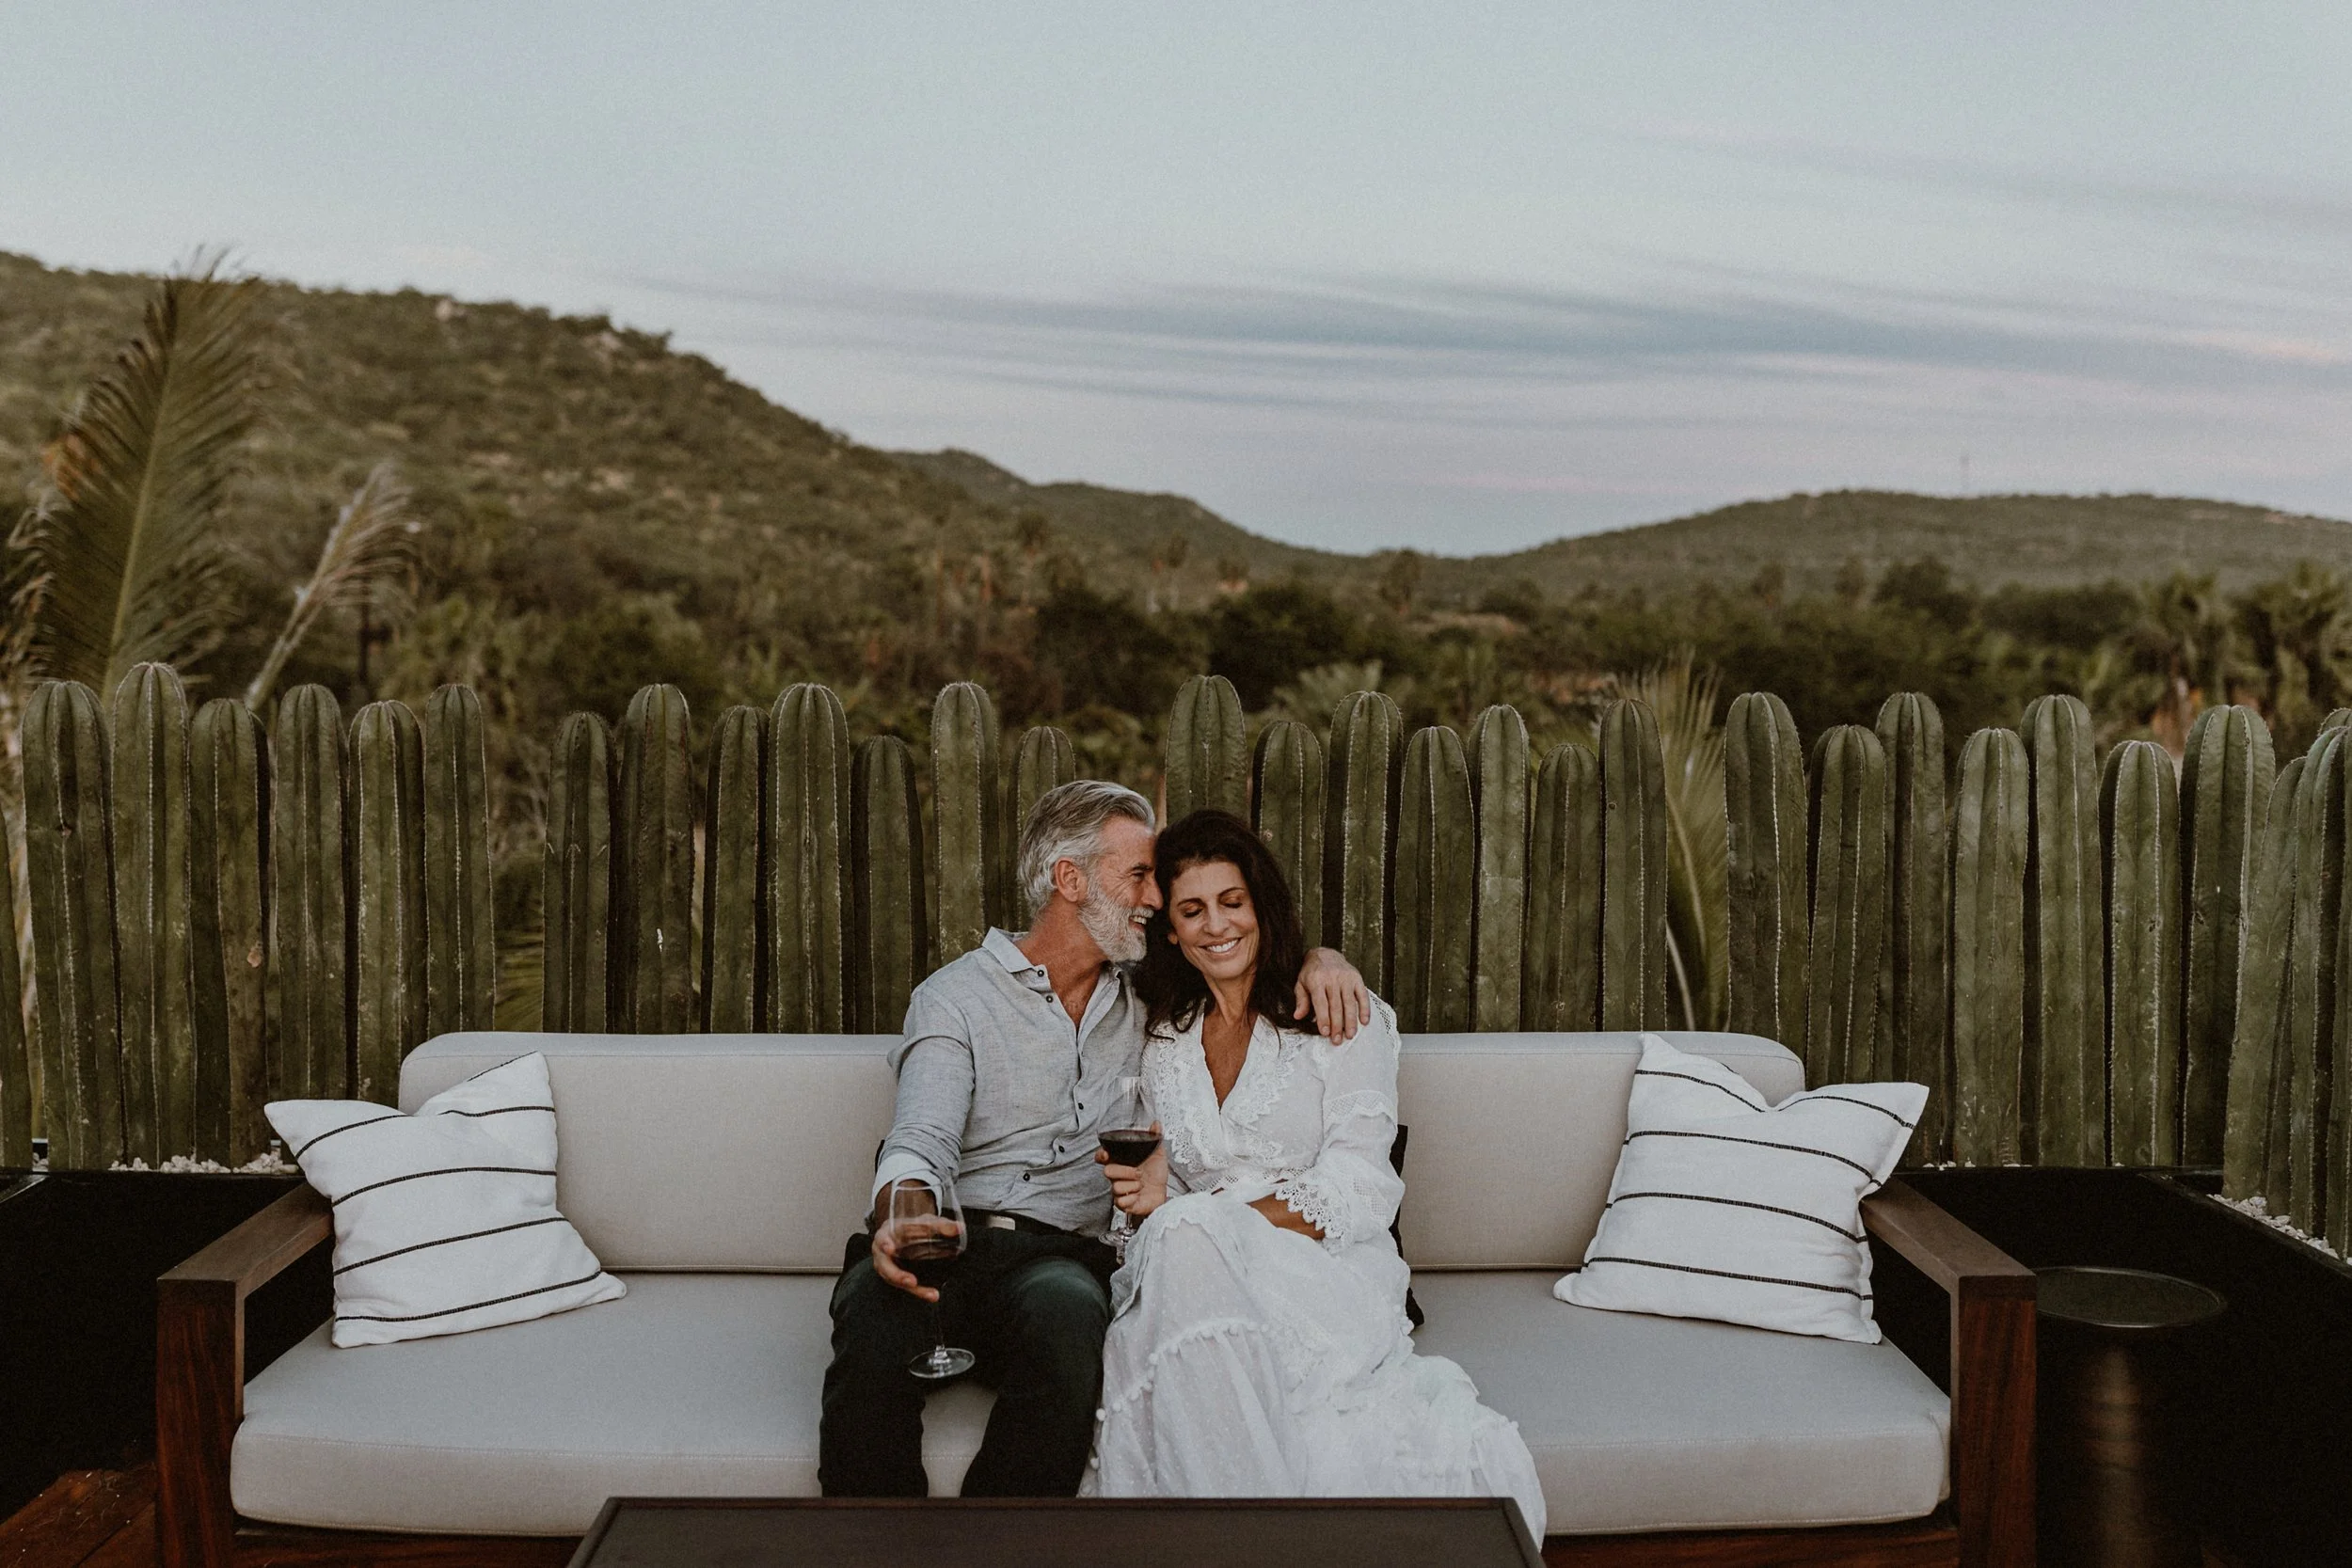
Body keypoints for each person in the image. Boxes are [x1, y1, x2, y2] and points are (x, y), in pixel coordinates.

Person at [818, 782, 1372, 1497]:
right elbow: (920, 1137)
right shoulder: (954, 997)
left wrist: (1323, 959)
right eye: (1139, 875)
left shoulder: (1151, 996)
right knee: (871, 1309)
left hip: (1059, 1259)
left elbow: (1238, 954)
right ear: (1070, 879)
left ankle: (1001, 1545)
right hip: (957, 1236)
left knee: (1069, 1314)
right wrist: (905, 1214)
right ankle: (865, 1540)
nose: (1155, 897)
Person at [1088, 809, 1547, 1540]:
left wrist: (1214, 1220)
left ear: (1261, 908)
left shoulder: (1339, 1015)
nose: (1216, 925)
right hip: (1191, 1264)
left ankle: (1240, 1535)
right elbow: (1168, 1192)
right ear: (1170, 929)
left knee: (1187, 1243)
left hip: (1323, 1270)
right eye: (1193, 910)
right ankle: (1248, 1534)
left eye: (1232, 901)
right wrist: (1153, 1198)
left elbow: (1363, 1183)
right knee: (1178, 1251)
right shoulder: (1162, 1039)